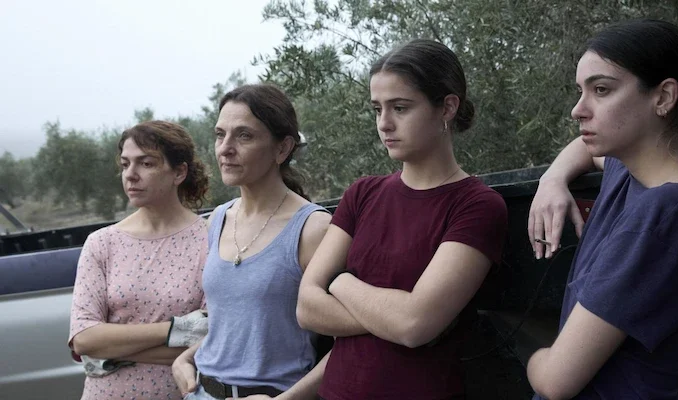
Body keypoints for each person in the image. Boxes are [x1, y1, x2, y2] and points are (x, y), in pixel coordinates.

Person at [525, 19, 678, 399]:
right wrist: (552, 179)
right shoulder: (633, 170)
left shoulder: (666, 216)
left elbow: (554, 382)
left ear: (663, 97)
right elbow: (585, 149)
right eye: (581, 91)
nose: (578, 110)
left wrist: (534, 357)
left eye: (601, 90)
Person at [296, 39, 509, 400]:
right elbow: (306, 308)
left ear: (447, 107)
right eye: (377, 109)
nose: (384, 123)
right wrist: (393, 318)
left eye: (400, 108)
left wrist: (339, 281)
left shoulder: (477, 206)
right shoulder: (362, 194)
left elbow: (413, 325)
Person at [171, 83, 332, 400]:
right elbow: (234, 324)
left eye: (244, 136)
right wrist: (185, 359)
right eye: (220, 135)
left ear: (282, 149)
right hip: (201, 392)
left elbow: (351, 343)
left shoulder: (314, 229)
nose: (225, 148)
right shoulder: (217, 220)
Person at [69, 120, 211, 399]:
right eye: (125, 164)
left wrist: (111, 349)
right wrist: (179, 329)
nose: (131, 175)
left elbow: (211, 339)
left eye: (146, 164)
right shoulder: (102, 243)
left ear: (179, 172)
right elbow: (83, 339)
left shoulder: (212, 239)